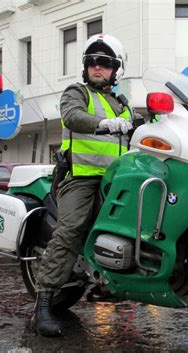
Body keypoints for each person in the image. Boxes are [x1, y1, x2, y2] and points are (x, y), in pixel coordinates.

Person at [31, 34, 133, 337]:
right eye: (92, 62)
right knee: (71, 229)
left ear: (117, 70)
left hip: (118, 179)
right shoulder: (77, 93)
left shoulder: (122, 104)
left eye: (104, 63)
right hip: (81, 178)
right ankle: (43, 307)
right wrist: (104, 124)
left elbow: (139, 130)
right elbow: (72, 116)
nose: (97, 68)